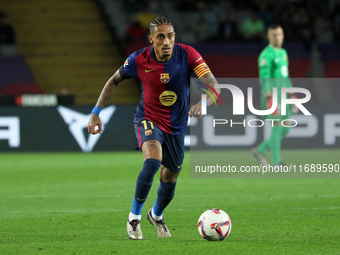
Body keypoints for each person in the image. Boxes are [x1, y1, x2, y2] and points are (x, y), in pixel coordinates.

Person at [87, 17, 219, 240]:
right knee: (152, 162)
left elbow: (214, 85)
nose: (166, 41)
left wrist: (203, 103)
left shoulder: (188, 54)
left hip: (177, 125)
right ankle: (134, 217)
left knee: (170, 177)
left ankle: (156, 215)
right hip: (149, 118)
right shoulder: (138, 59)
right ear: (151, 39)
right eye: (160, 37)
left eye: (170, 36)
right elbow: (113, 81)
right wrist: (95, 112)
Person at [252, 24, 294, 167]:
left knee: (287, 127)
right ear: (269, 36)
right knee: (277, 125)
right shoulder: (266, 55)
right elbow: (265, 78)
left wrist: (292, 94)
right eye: (274, 35)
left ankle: (260, 149)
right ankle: (277, 162)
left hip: (284, 94)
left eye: (280, 34)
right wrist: (270, 98)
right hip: (273, 95)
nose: (278, 37)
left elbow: (285, 76)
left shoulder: (283, 52)